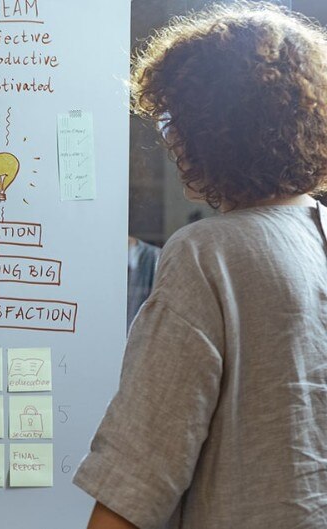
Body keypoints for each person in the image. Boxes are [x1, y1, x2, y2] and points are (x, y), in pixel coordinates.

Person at [75, 3, 327, 528]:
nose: (172, 142)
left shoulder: (208, 252)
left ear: (213, 130)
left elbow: (138, 477)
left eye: (174, 121)